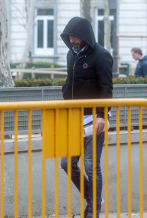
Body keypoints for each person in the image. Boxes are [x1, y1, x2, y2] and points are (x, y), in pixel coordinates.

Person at [60, 17, 113, 218]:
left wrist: (101, 114)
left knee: (91, 166)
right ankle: (93, 199)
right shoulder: (71, 54)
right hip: (74, 118)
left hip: (94, 120)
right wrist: (65, 92)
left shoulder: (101, 56)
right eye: (69, 37)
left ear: (84, 36)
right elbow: (70, 81)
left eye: (75, 36)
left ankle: (93, 212)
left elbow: (107, 88)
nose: (72, 40)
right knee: (66, 163)